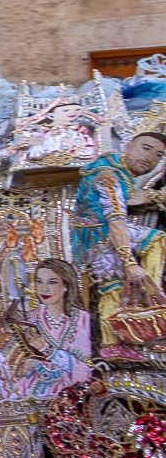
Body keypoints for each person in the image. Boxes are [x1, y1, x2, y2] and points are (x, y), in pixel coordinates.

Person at [73, 132, 166, 362]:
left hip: (98, 233)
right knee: (113, 284)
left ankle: (115, 341)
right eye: (145, 148)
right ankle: (147, 299)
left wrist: (154, 197)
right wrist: (130, 263)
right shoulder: (109, 176)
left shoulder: (116, 169)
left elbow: (129, 198)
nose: (150, 158)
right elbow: (116, 219)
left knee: (154, 242)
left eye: (158, 155)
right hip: (99, 237)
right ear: (128, 145)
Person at [19, 259, 92, 399]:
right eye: (39, 282)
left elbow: (85, 368)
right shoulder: (31, 318)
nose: (44, 289)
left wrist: (49, 351)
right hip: (34, 391)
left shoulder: (82, 319)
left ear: (65, 286)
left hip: (74, 393)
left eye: (52, 282)